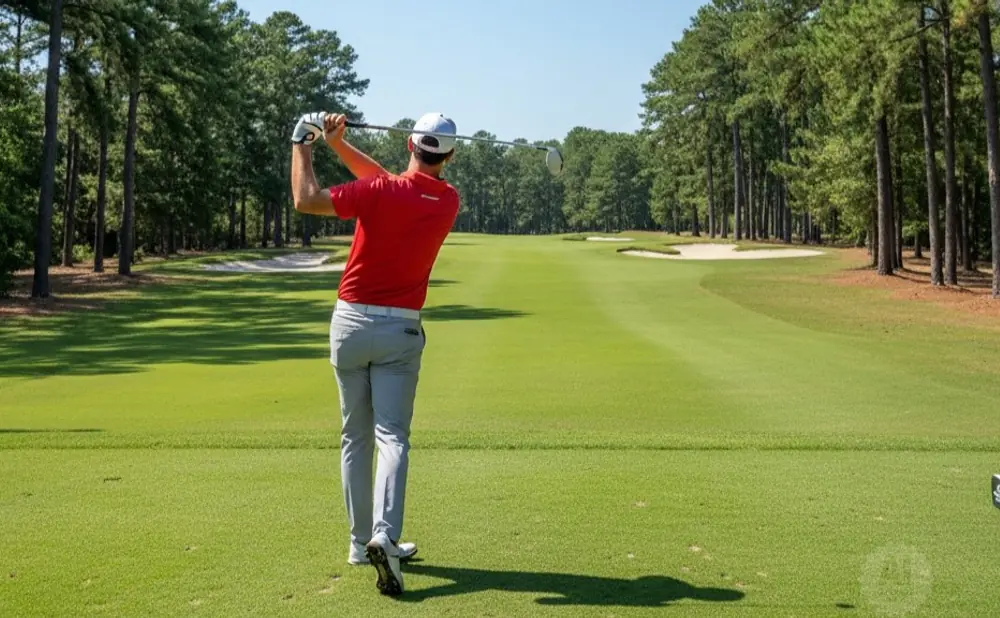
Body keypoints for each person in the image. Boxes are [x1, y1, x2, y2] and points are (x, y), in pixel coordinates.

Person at [289, 110, 460, 596]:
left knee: (354, 437)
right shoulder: (447, 200)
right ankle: (384, 535)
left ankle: (358, 539)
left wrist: (304, 141)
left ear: (409, 144)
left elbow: (305, 199)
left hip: (349, 324)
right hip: (399, 332)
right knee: (393, 438)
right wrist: (339, 145)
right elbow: (394, 183)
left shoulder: (380, 193)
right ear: (449, 155)